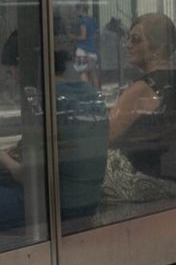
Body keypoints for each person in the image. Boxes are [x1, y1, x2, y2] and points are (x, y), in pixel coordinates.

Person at [1, 31, 108, 230]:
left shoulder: (43, 100)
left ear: (23, 63)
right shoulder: (91, 93)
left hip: (54, 208)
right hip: (87, 203)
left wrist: (3, 157)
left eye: (12, 70)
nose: (13, 77)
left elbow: (26, 175)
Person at [108, 12, 176, 182]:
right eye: (128, 39)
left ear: (158, 46)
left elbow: (108, 134)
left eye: (135, 39)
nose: (128, 45)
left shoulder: (142, 89)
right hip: (174, 174)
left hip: (142, 178)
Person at [73, 5, 100, 87]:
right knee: (93, 73)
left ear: (80, 10)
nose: (76, 13)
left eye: (77, 11)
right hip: (92, 49)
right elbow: (96, 34)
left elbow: (83, 36)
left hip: (83, 50)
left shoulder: (83, 21)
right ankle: (97, 92)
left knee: (83, 72)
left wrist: (73, 37)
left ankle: (86, 93)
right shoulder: (93, 20)